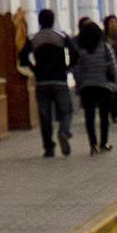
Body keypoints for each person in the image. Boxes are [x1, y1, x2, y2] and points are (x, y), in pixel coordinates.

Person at [20, 9, 76, 157]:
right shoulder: (61, 36)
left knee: (45, 116)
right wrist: (67, 67)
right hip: (59, 79)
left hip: (42, 81)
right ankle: (64, 131)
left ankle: (49, 147)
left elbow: (23, 56)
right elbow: (74, 52)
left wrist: (35, 69)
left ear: (39, 21)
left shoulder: (33, 38)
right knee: (66, 110)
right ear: (53, 20)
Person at [73, 17, 117, 153]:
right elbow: (114, 65)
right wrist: (114, 82)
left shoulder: (81, 50)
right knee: (104, 115)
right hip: (104, 86)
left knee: (89, 116)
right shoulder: (105, 46)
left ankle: (92, 145)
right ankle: (103, 142)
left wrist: (79, 84)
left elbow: (77, 69)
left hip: (87, 87)